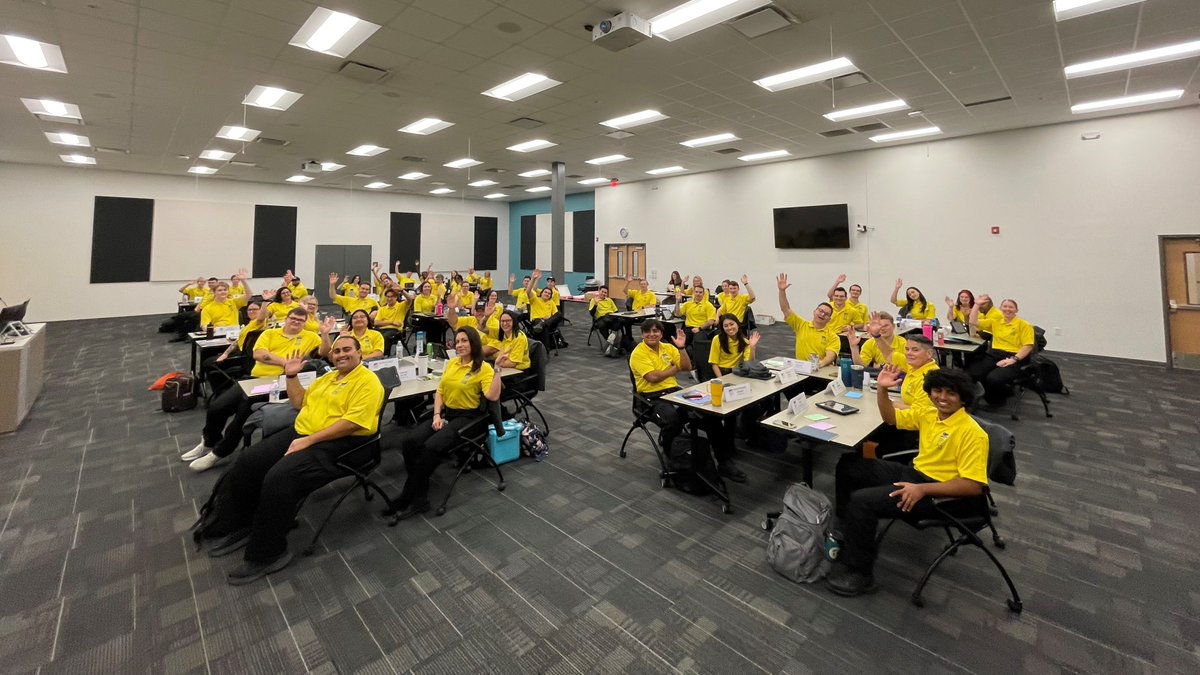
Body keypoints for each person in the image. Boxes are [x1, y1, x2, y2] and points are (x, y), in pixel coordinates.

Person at [192, 334, 385, 585]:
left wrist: (309, 440)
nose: (340, 354)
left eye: (347, 349)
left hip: (342, 444)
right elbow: (299, 402)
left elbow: (352, 423)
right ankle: (240, 521)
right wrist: (291, 376)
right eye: (336, 351)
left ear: (360, 353)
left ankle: (268, 553)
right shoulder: (328, 377)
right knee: (249, 461)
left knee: (280, 477)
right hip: (305, 432)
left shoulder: (369, 382)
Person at [826, 367, 988, 597]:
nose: (942, 397)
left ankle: (860, 574)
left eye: (950, 393)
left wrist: (922, 489)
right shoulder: (930, 414)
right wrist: (882, 389)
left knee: (862, 502)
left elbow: (973, 486)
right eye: (937, 391)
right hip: (916, 477)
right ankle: (846, 529)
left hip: (942, 496)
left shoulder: (973, 434)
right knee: (850, 465)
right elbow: (890, 417)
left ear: (963, 397)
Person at [184, 308, 324, 472]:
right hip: (255, 378)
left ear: (304, 322)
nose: (296, 322)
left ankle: (220, 451)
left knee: (244, 411)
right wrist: (285, 363)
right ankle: (208, 441)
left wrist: (325, 334)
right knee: (218, 406)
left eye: (300, 320)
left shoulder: (311, 337)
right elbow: (259, 354)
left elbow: (323, 353)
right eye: (293, 318)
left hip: (280, 384)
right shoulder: (269, 334)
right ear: (286, 318)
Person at [390, 327, 505, 519]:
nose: (459, 345)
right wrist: (436, 415)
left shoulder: (483, 368)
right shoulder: (452, 363)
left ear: (474, 343)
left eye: (464, 341)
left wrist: (498, 369)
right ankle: (415, 491)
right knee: (410, 442)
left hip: (470, 418)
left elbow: (492, 395)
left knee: (430, 447)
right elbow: (440, 391)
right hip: (447, 415)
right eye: (457, 341)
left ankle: (414, 497)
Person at [630, 319, 742, 482]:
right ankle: (670, 455)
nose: (652, 334)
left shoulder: (668, 347)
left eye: (656, 331)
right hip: (652, 397)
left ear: (661, 334)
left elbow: (687, 366)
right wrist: (674, 368)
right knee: (673, 420)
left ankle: (724, 463)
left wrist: (681, 348)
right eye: (648, 331)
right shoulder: (638, 353)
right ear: (642, 334)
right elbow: (653, 377)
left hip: (675, 392)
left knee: (710, 414)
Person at [967, 298, 1035, 406]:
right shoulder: (996, 321)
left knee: (994, 378)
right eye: (1005, 306)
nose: (1007, 309)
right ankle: (985, 397)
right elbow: (972, 322)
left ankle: (999, 399)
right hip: (994, 354)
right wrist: (976, 305)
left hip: (1015, 357)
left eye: (1011, 307)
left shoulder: (1024, 325)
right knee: (974, 373)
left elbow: (1028, 346)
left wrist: (1013, 359)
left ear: (1016, 310)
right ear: (1000, 309)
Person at [776, 274, 840, 366]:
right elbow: (785, 309)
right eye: (820, 311)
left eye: (826, 314)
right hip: (800, 368)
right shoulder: (801, 325)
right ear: (814, 311)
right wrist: (782, 291)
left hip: (820, 370)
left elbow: (831, 356)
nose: (822, 314)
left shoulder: (833, 336)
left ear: (829, 319)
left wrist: (819, 364)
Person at [525, 269, 564, 349]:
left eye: (549, 294)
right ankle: (546, 349)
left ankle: (543, 324)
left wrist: (547, 319)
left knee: (559, 314)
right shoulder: (535, 299)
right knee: (544, 327)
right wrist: (533, 279)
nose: (547, 294)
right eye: (545, 292)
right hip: (537, 322)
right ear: (541, 293)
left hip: (546, 323)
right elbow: (528, 291)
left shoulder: (551, 302)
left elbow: (555, 315)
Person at [673, 284, 717, 348]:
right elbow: (677, 314)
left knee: (697, 343)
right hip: (688, 328)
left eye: (700, 292)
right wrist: (677, 301)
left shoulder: (709, 305)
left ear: (703, 294)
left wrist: (699, 329)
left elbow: (711, 321)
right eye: (696, 292)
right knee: (676, 341)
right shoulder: (688, 304)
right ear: (693, 293)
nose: (698, 294)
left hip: (702, 329)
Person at [372, 287, 411, 356]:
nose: (389, 299)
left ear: (396, 297)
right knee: (371, 335)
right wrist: (391, 322)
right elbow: (376, 323)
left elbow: (410, 299)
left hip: (395, 331)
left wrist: (402, 290)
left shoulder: (401, 306)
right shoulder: (382, 309)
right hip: (382, 329)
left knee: (385, 337)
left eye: (392, 296)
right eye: (388, 296)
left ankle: (384, 356)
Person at [586, 285, 621, 352]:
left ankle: (612, 340)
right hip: (601, 318)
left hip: (610, 317)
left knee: (621, 321)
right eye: (602, 292)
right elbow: (592, 314)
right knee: (602, 325)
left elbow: (616, 311)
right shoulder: (593, 300)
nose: (604, 294)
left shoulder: (609, 300)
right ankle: (611, 341)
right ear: (599, 291)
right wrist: (596, 305)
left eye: (605, 292)